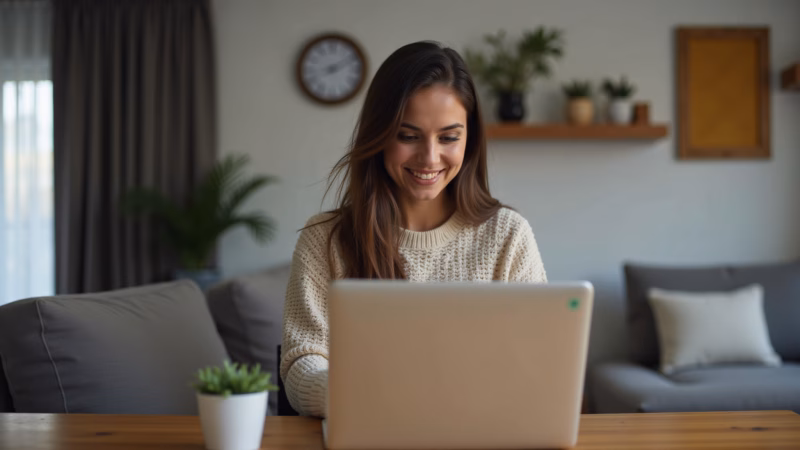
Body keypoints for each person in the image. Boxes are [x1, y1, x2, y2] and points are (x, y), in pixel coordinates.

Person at [280, 41, 547, 417]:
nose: (430, 158)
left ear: (469, 140)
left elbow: (537, 362)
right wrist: (367, 397)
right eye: (408, 136)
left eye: (449, 137)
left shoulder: (507, 235)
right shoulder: (323, 238)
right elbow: (301, 361)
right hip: (367, 430)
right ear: (379, 135)